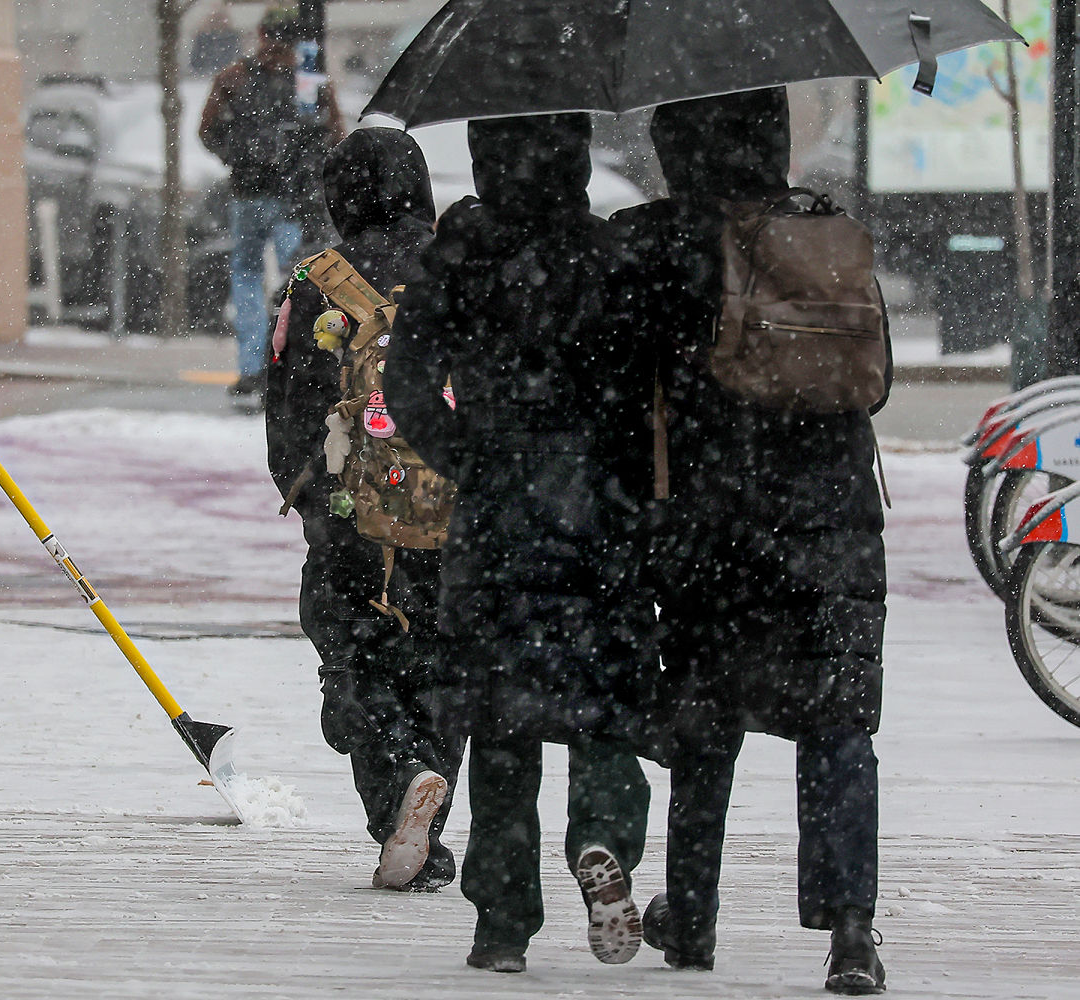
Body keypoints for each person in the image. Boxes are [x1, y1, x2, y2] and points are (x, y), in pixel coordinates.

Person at [612, 88, 888, 995]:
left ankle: (691, 917)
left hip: (710, 519)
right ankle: (851, 932)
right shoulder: (828, 231)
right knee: (839, 724)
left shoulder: (656, 243)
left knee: (704, 722)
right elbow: (869, 382)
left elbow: (616, 381)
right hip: (837, 519)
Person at [385, 113, 666, 974]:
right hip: (599, 512)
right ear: (577, 154)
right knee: (604, 701)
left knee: (501, 720)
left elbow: (407, 382)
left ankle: (502, 920)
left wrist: (469, 452)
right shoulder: (609, 256)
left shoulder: (461, 255)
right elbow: (647, 380)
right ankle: (605, 836)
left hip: (497, 513)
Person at [264, 128, 461, 891]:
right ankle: (427, 819)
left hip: (350, 502)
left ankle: (399, 795)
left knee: (354, 657)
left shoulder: (318, 280)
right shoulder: (457, 269)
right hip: (452, 501)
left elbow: (285, 403)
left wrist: (307, 490)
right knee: (440, 665)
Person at [199, 5, 344, 409]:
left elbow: (206, 130)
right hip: (294, 199)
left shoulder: (235, 77)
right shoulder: (309, 83)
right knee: (293, 282)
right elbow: (335, 135)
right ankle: (283, 363)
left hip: (248, 195)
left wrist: (238, 158)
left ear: (261, 32)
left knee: (246, 276)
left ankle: (249, 366)